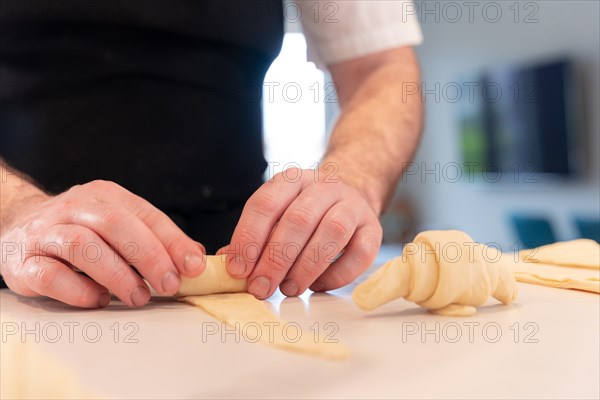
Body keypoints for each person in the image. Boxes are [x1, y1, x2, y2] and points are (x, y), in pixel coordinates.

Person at [0, 1, 423, 308]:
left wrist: (350, 179)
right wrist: (16, 211)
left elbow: (380, 69)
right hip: (23, 281)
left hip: (235, 275)